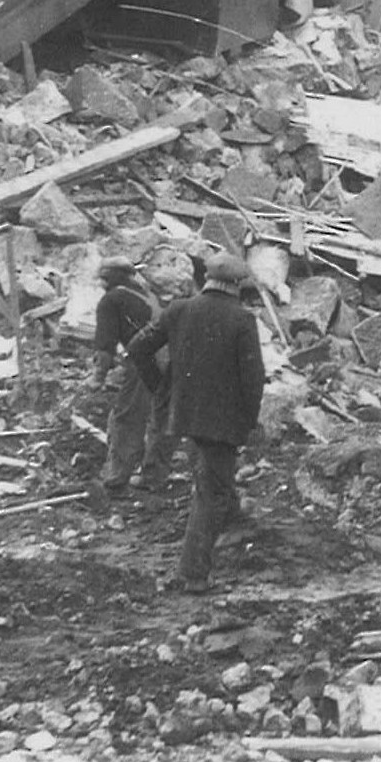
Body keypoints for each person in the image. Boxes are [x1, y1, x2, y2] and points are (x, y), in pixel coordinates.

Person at [127, 254, 267, 596]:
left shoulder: (178, 309)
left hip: (186, 412)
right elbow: (254, 377)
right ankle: (193, 573)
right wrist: (250, 420)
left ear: (206, 278)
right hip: (223, 418)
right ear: (237, 285)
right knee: (211, 491)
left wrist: (160, 386)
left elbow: (137, 347)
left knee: (213, 474)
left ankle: (233, 517)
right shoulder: (242, 319)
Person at [91, 260, 174, 505]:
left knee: (128, 416)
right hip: (171, 359)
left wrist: (98, 378)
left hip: (144, 360)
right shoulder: (146, 294)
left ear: (107, 278)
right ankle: (154, 476)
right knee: (161, 417)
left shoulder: (110, 301)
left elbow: (105, 346)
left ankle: (116, 479)